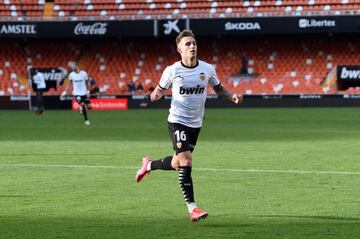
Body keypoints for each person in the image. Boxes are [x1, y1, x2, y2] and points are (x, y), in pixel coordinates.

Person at [135, 30, 242, 222]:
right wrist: (154, 96)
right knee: (186, 160)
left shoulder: (207, 69)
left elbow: (219, 89)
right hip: (177, 121)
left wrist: (231, 96)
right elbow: (159, 91)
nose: (192, 46)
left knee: (177, 163)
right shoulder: (172, 70)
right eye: (187, 44)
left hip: (196, 124)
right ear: (179, 50)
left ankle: (148, 165)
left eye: (194, 43)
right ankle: (192, 208)